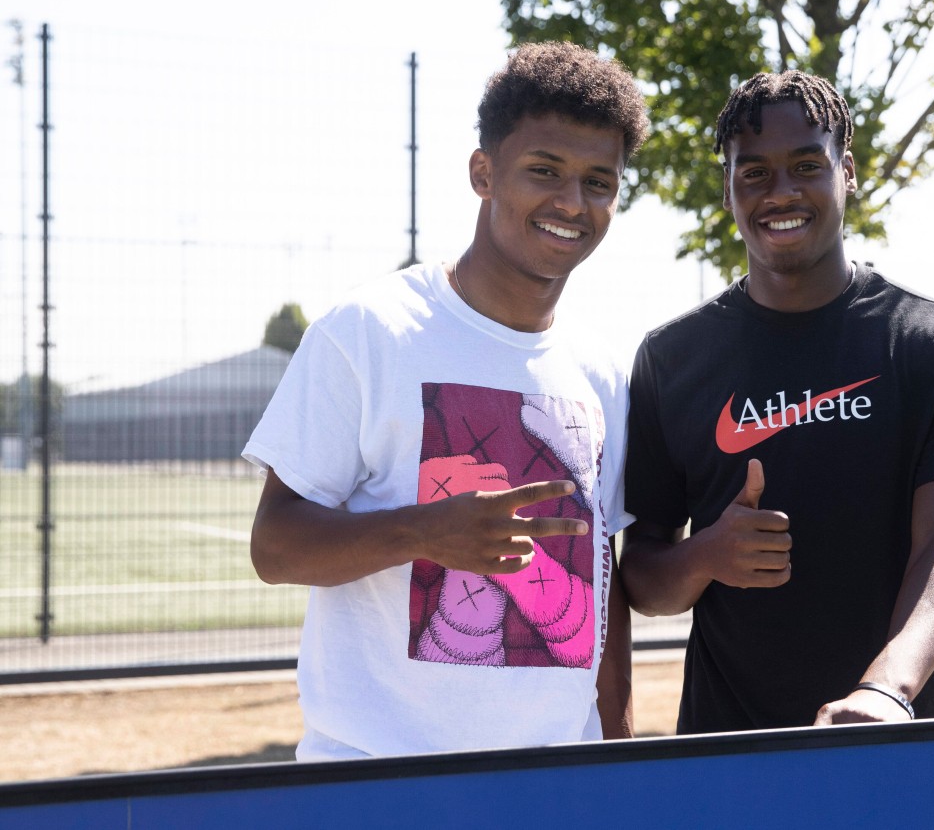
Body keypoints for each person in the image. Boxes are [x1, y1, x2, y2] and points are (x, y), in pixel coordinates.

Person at [243, 41, 649, 760]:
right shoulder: (369, 331)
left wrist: (614, 752)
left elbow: (601, 581)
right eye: (544, 171)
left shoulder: (604, 370)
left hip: (557, 783)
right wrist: (423, 533)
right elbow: (274, 546)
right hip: (375, 782)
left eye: (599, 182)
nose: (571, 203)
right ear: (482, 172)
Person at [621, 70, 934, 734]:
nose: (782, 192)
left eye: (806, 166)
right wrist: (705, 555)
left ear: (845, 171)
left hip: (895, 730)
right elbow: (643, 576)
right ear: (729, 186)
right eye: (755, 173)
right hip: (730, 750)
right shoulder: (671, 357)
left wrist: (887, 687)